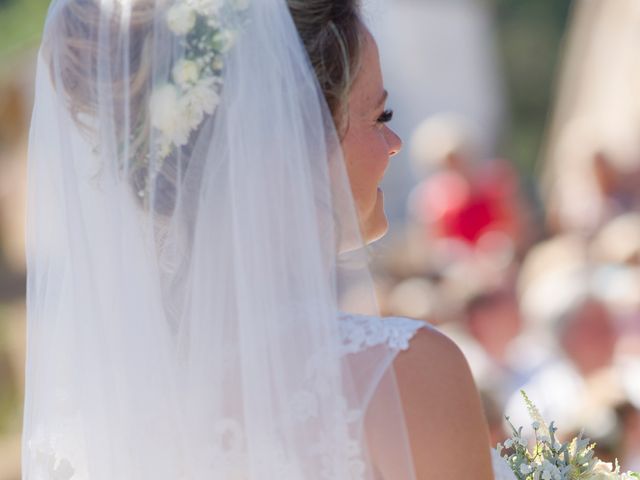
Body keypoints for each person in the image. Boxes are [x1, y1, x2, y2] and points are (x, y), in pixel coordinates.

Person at [22, 0, 503, 478]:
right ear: (290, 136)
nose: (395, 142)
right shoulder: (406, 374)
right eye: (380, 116)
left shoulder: (106, 409)